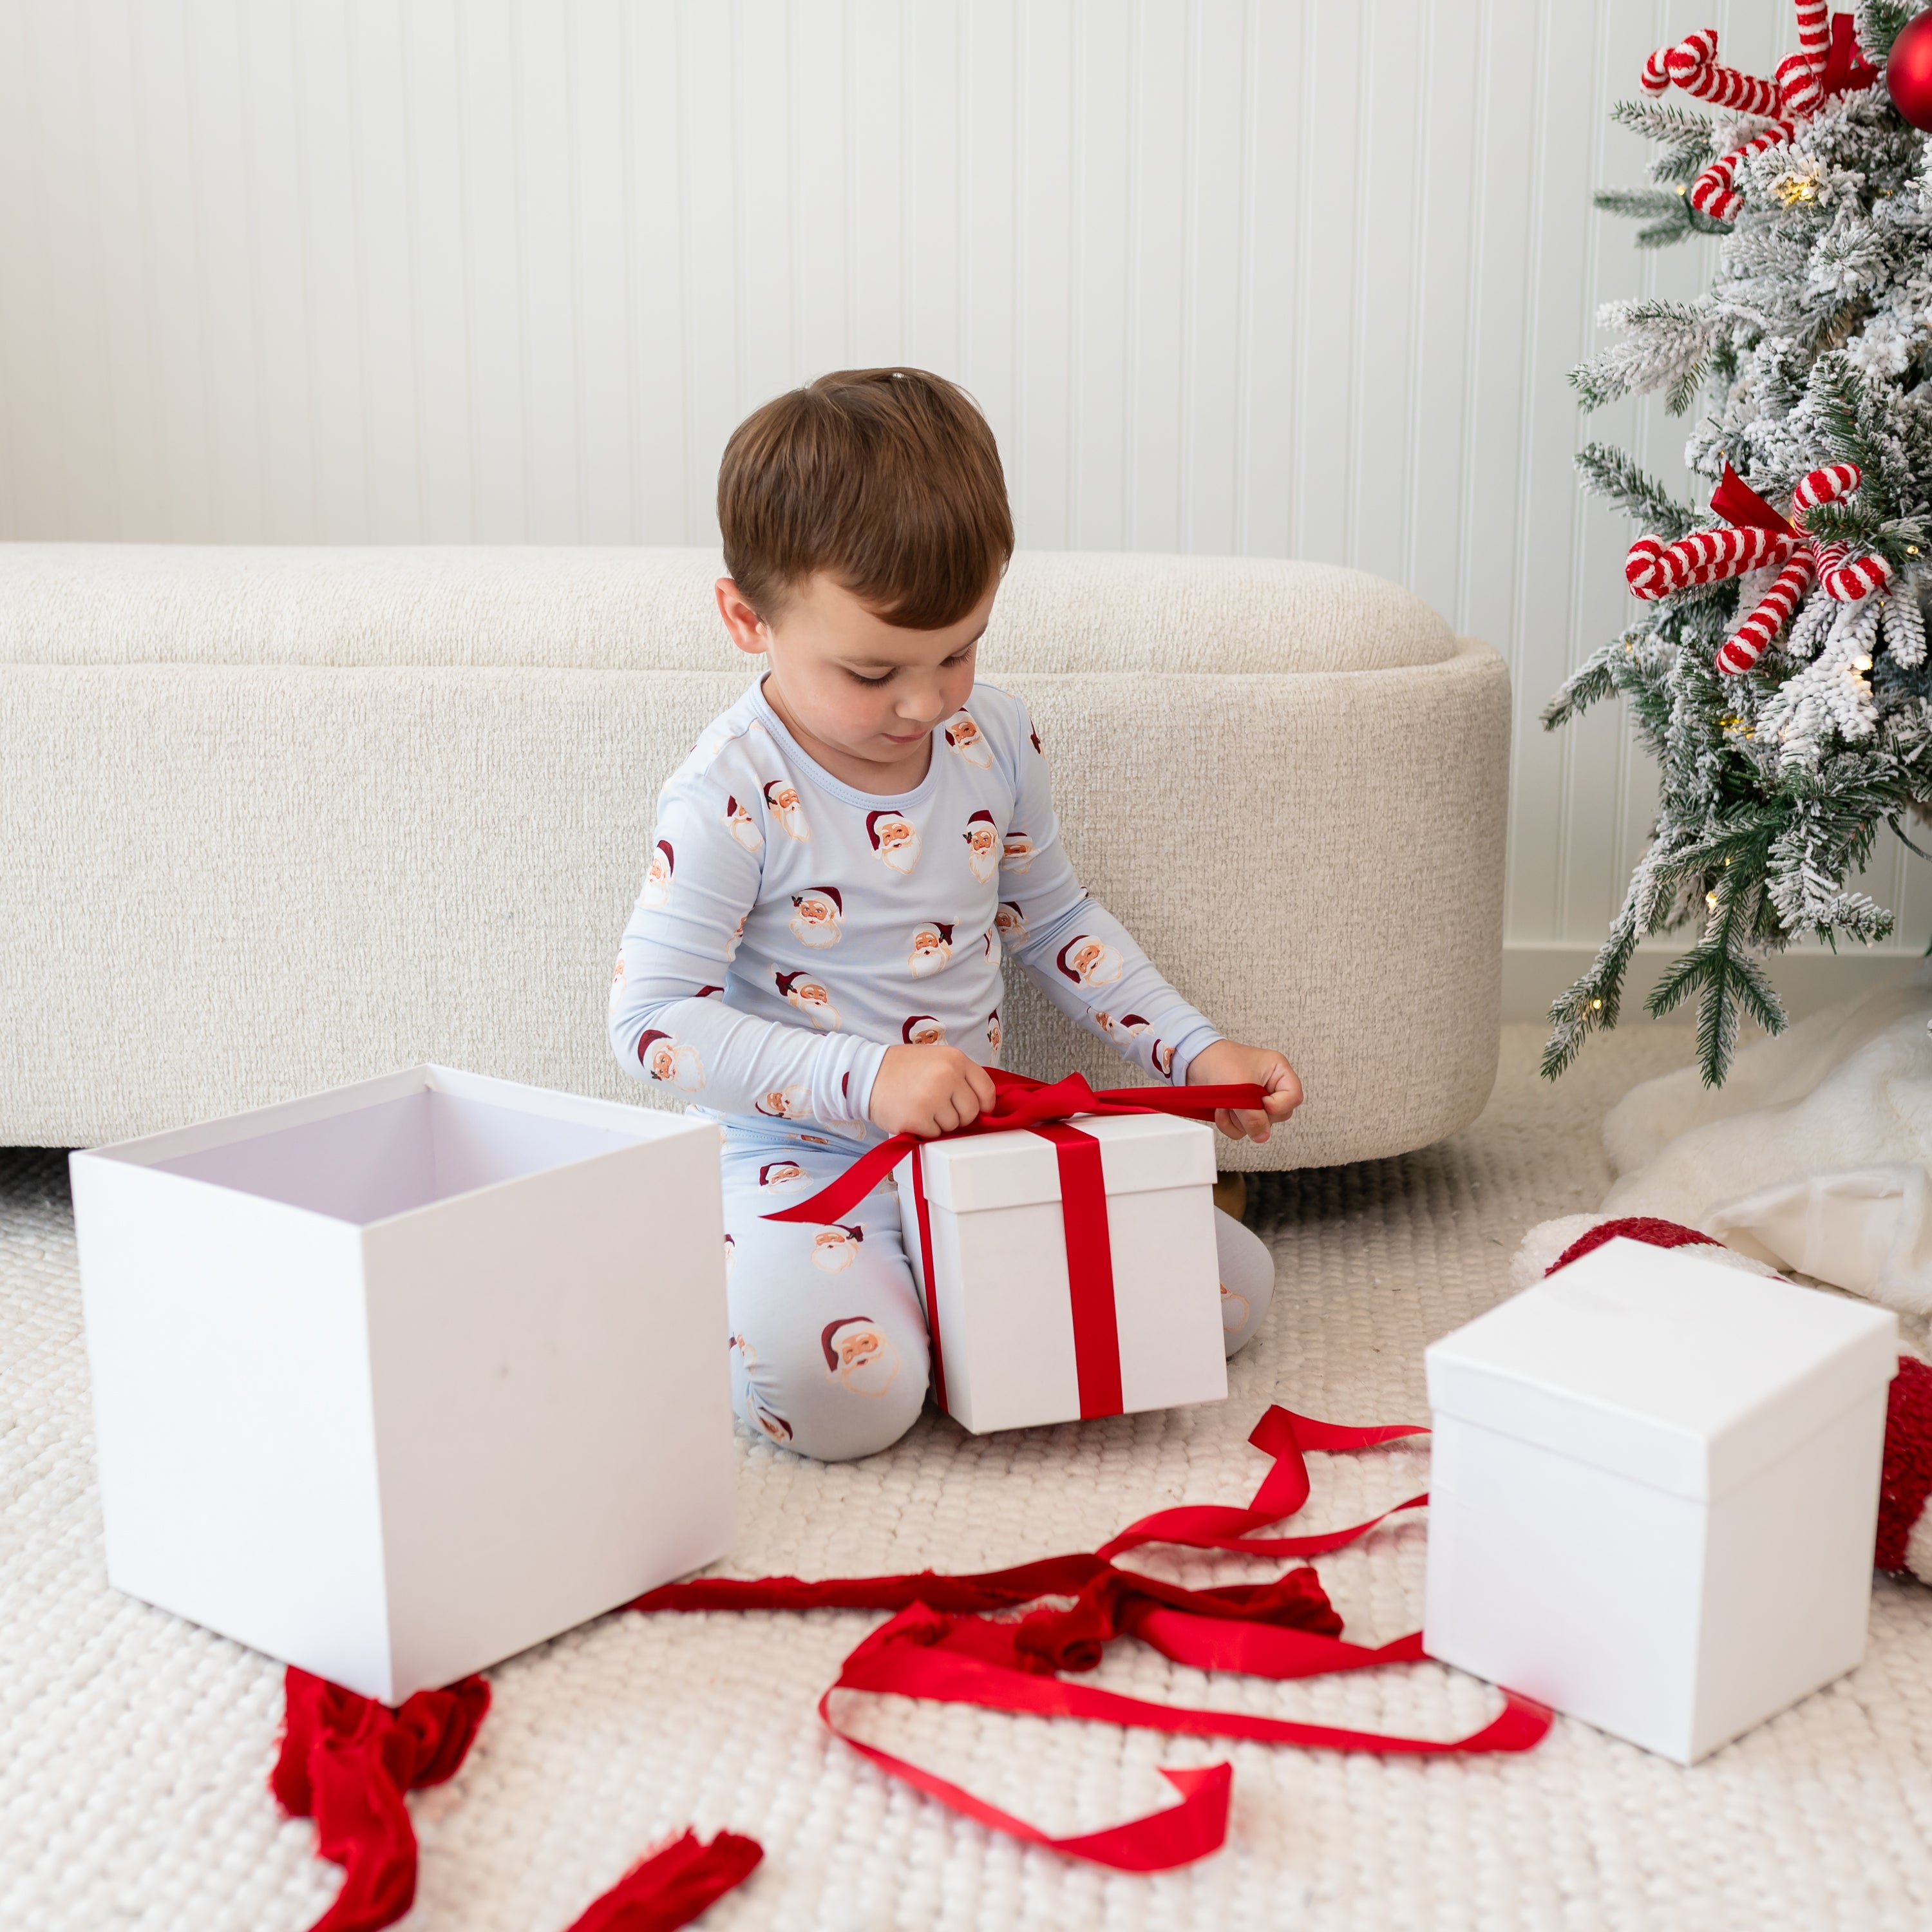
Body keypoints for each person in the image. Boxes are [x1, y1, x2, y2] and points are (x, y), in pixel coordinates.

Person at [611, 368, 1303, 1460]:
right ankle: (754, 1286)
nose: (927, 703)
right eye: (874, 669)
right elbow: (650, 1022)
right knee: (850, 1404)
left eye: (959, 650)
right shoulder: (729, 793)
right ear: (748, 619)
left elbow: (1058, 918)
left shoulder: (994, 744)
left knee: (1228, 1302)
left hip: (981, 1138)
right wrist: (869, 1079)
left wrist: (1195, 1048)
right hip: (804, 1158)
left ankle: (939, 1297)